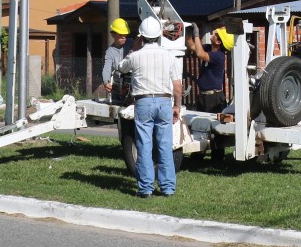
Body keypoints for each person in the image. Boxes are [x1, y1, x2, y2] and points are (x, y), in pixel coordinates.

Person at [115, 16, 182, 198]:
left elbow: (121, 67)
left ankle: (146, 188)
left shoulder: (136, 56)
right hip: (164, 101)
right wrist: (177, 106)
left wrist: (134, 47)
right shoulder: (169, 56)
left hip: (143, 101)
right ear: (159, 35)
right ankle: (167, 187)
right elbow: (177, 86)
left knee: (144, 145)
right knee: (165, 145)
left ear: (141, 36)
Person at [192, 28, 231, 113]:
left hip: (214, 98)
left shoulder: (219, 56)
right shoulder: (208, 48)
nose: (214, 34)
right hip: (203, 96)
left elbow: (199, 54)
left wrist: (196, 35)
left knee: (212, 124)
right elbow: (192, 46)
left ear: (218, 42)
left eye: (217, 35)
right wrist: (187, 32)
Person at [99, 18, 131, 98]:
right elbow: (107, 68)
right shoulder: (110, 52)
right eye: (121, 35)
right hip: (119, 86)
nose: (124, 37)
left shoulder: (132, 43)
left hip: (132, 85)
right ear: (113, 34)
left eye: (125, 35)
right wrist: (106, 82)